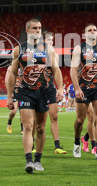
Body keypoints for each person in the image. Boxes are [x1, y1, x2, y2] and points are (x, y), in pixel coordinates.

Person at [6, 18, 63, 173]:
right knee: (28, 126)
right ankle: (29, 161)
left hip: (43, 92)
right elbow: (12, 73)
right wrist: (10, 96)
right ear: (27, 31)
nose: (37, 31)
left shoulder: (48, 49)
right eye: (34, 28)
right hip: (25, 92)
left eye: (39, 28)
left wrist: (60, 89)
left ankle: (38, 159)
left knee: (41, 128)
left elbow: (56, 70)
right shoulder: (19, 50)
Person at [70, 23, 97, 161]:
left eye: (95, 29)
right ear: (85, 34)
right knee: (80, 120)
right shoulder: (79, 49)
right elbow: (73, 69)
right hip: (83, 87)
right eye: (89, 30)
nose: (92, 32)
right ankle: (77, 142)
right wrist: (77, 88)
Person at [43, 31, 67, 154]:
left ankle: (57, 146)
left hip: (50, 88)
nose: (51, 42)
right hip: (38, 90)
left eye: (52, 40)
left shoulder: (55, 55)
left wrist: (59, 89)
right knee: (38, 120)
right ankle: (31, 145)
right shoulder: (37, 55)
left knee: (54, 116)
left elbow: (56, 72)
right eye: (48, 40)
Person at [5, 65, 23, 134]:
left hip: (23, 90)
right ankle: (9, 121)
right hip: (15, 91)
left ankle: (23, 129)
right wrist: (9, 92)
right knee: (14, 111)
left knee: (23, 111)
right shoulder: (11, 67)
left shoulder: (24, 66)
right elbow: (7, 80)